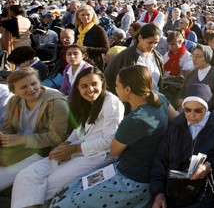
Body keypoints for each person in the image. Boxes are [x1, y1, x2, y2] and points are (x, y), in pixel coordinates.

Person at [49, 65, 178, 208]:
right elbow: (177, 120)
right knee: (70, 191)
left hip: (130, 179)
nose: (114, 89)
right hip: (138, 171)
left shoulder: (134, 120)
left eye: (117, 85)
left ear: (127, 90)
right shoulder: (159, 98)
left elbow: (114, 151)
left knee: (63, 201)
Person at [12, 67, 124, 208]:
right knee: (26, 175)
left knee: (47, 185)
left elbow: (110, 140)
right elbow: (79, 131)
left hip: (98, 155)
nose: (90, 89)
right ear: (77, 87)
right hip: (77, 150)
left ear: (102, 82)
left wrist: (73, 148)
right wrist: (64, 145)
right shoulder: (85, 102)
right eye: (84, 86)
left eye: (94, 84)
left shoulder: (111, 103)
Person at [150, 84, 214, 208]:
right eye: (187, 110)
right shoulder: (176, 127)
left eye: (198, 110)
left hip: (205, 195)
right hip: (173, 193)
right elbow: (160, 162)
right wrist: (158, 193)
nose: (191, 115)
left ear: (207, 108)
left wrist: (208, 167)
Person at [0, 68, 69, 192]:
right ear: (13, 90)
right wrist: (5, 136)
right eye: (23, 87)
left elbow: (57, 136)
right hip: (17, 149)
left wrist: (21, 140)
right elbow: (8, 127)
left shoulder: (56, 102)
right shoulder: (14, 101)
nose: (31, 89)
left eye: (33, 84)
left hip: (42, 152)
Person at [105, 23, 165, 93]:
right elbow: (107, 81)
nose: (152, 46)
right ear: (140, 38)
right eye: (149, 42)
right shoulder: (124, 57)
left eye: (155, 43)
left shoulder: (158, 57)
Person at [176, 45, 214, 111]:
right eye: (193, 56)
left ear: (207, 58)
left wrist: (195, 109)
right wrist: (184, 106)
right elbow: (181, 95)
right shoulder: (190, 75)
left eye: (198, 56)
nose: (194, 59)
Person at [72, 4, 109, 69]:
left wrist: (87, 49)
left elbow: (106, 48)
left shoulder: (98, 30)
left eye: (88, 15)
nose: (85, 17)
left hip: (94, 63)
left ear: (93, 16)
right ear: (78, 16)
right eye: (82, 15)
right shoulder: (77, 30)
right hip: (79, 62)